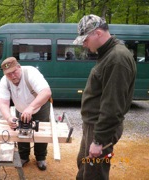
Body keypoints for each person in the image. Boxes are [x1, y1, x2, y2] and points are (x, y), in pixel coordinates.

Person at [73, 14, 136, 179]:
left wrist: (99, 140)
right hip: (94, 126)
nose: (85, 45)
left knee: (94, 174)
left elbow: (113, 105)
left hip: (100, 129)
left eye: (85, 40)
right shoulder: (108, 54)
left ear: (98, 33)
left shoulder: (117, 59)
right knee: (84, 166)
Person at [0, 57, 52, 171]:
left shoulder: (31, 72)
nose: (12, 76)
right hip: (21, 109)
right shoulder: (4, 81)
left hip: (39, 107)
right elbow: (3, 102)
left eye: (14, 72)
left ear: (19, 67)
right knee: (21, 131)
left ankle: (40, 157)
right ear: (4, 73)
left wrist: (31, 107)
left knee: (41, 133)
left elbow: (46, 92)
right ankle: (23, 156)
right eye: (8, 74)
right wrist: (8, 118)